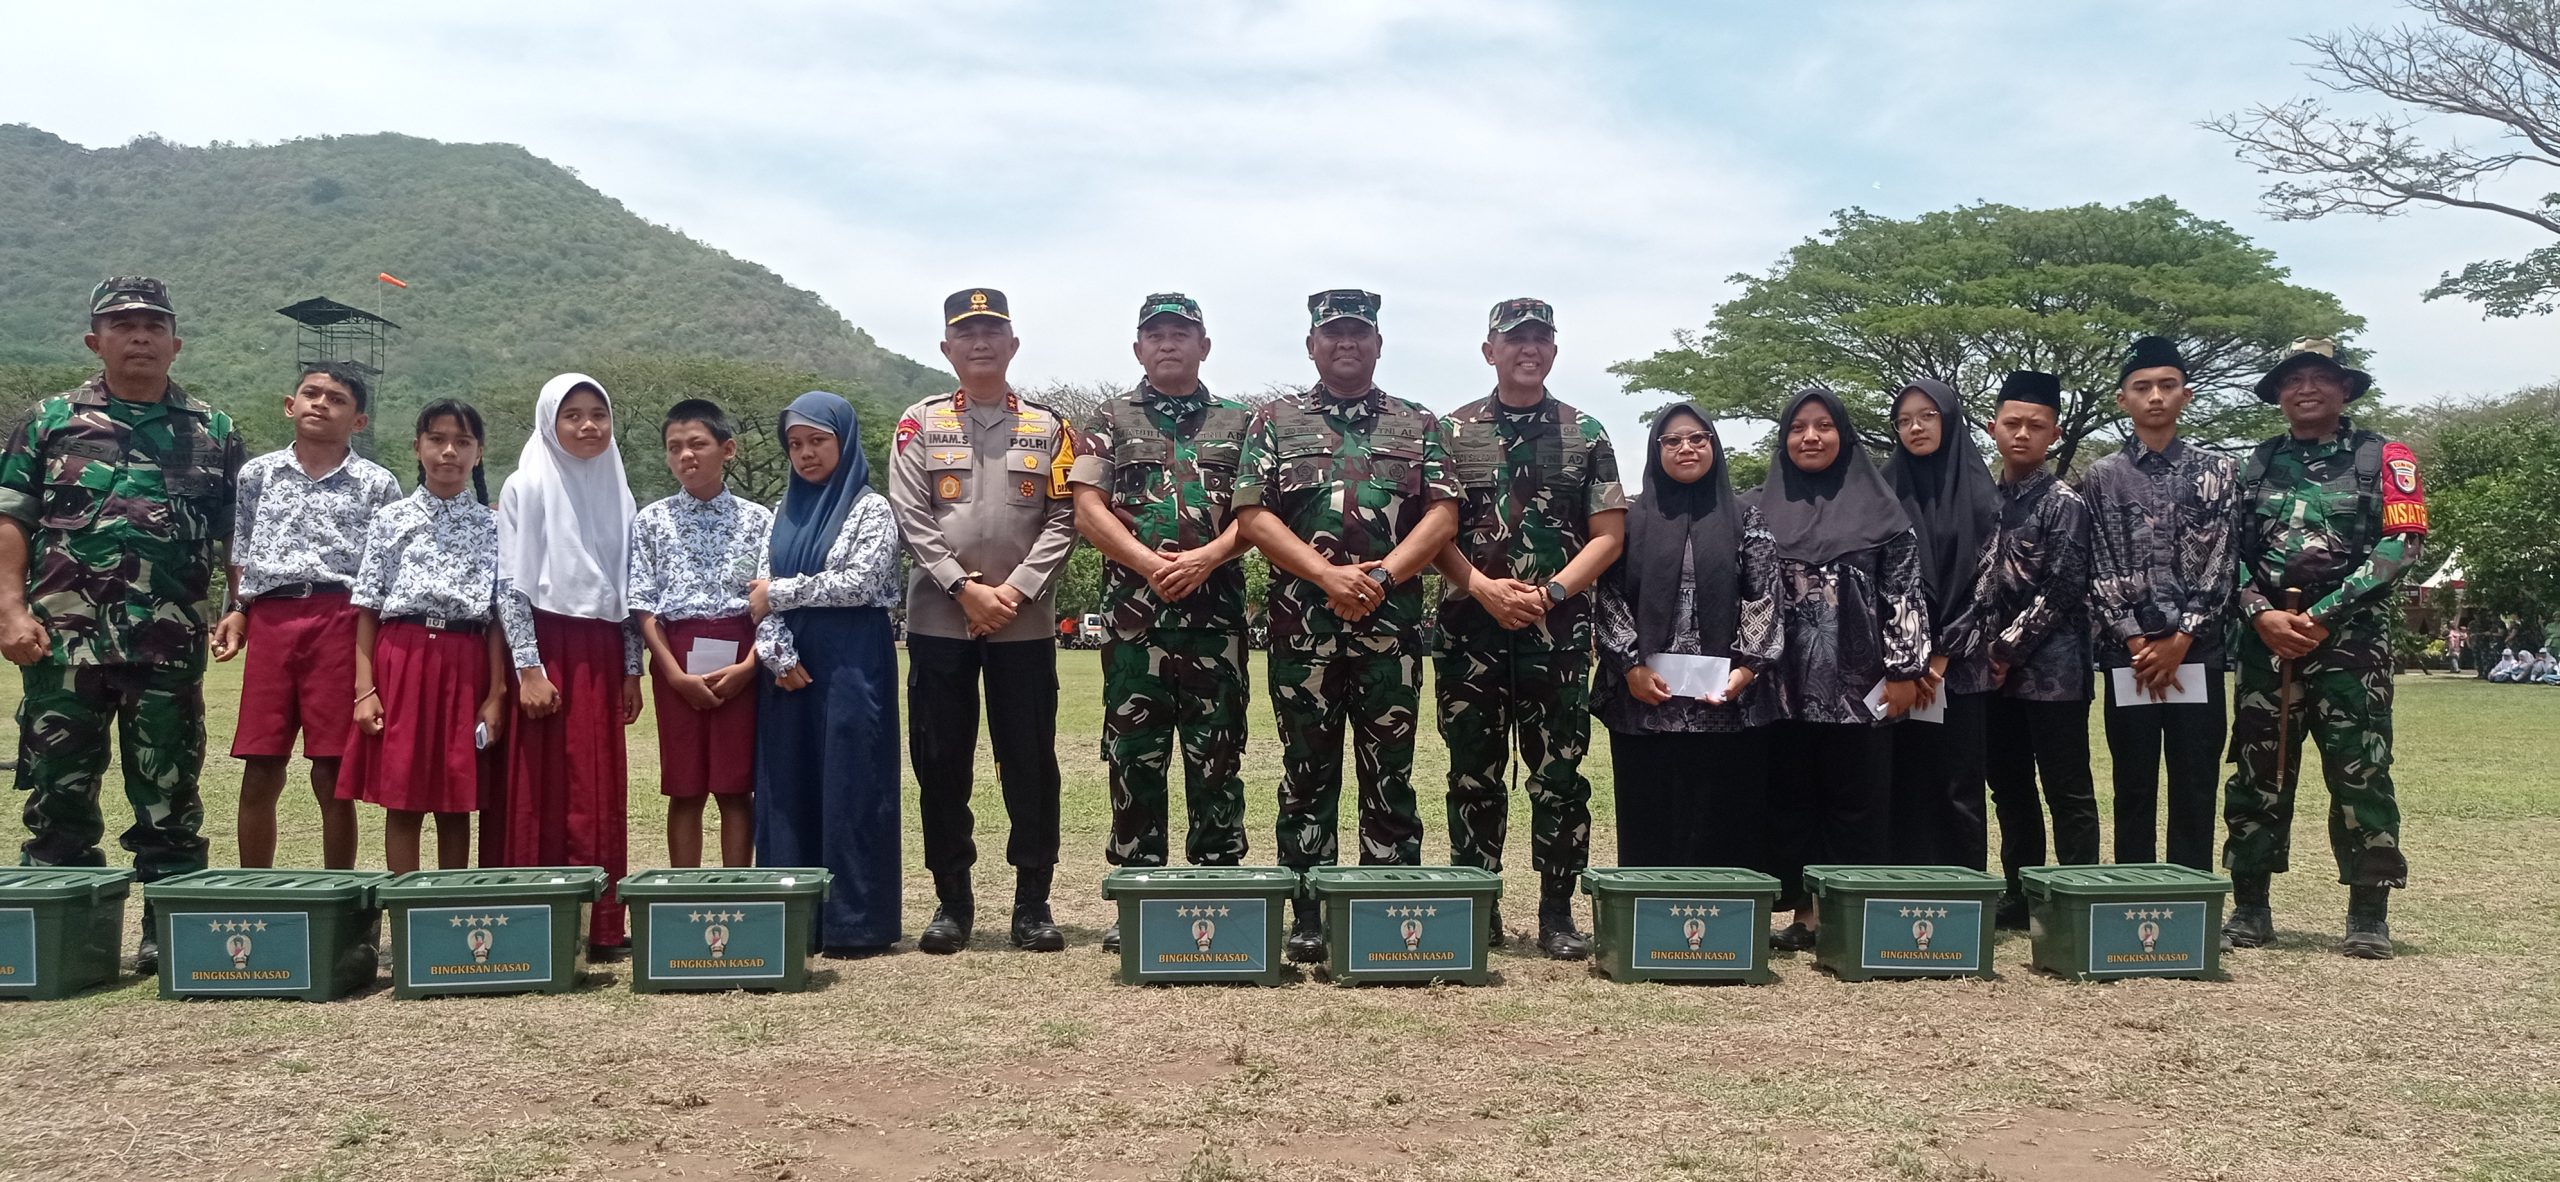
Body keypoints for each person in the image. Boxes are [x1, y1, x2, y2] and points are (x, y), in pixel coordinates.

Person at [0, 277, 246, 973]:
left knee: (170, 795)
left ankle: (168, 934)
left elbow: (237, 535)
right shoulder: (48, 423)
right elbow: (12, 518)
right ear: (94, 340)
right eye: (122, 323)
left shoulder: (213, 431)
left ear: (174, 343)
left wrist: (236, 603)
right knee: (58, 793)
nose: (138, 335)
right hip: (62, 642)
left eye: (151, 324)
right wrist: (10, 608)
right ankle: (60, 940)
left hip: (167, 644)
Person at [1233, 289, 1459, 964]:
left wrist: (1383, 576)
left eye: (1359, 332)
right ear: (1311, 345)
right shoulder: (1272, 421)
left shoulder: (1418, 423)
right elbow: (1252, 515)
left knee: (1390, 771)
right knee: (1307, 773)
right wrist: (1329, 576)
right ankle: (1306, 911)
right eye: (1333, 334)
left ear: (1379, 343)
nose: (1346, 343)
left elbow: (1442, 517)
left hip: (1390, 629)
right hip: (1304, 629)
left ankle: (1388, 906)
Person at [1431, 298, 1625, 959]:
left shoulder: (1587, 433)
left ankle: (1556, 912)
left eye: (1541, 339)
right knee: (1473, 773)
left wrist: (1551, 592)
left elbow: (1609, 535)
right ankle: (1477, 905)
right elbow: (1433, 532)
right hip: (1469, 630)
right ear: (1490, 350)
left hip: (1558, 633)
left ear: (1554, 350)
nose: (1528, 350)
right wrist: (1482, 588)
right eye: (1515, 340)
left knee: (1559, 773)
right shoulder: (1450, 433)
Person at [2222, 338, 2427, 960]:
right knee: (2259, 772)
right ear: (2279, 394)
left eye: (2319, 377)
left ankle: (2369, 914)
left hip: (2352, 644)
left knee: (2359, 770)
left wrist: (2321, 614)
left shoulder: (2386, 457)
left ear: (2345, 389)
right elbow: (2220, 551)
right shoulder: (2252, 464)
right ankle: (2250, 909)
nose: (2305, 388)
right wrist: (2260, 612)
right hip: (2265, 644)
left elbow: (2403, 545)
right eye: (2292, 380)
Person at [889, 289, 1079, 954]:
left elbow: (1065, 517)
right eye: (966, 333)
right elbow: (910, 513)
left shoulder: (1049, 428)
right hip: (940, 621)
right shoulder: (920, 422)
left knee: (1029, 760)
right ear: (946, 348)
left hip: (1023, 626)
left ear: (1013, 344)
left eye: (992, 330)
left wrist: (1016, 591)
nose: (980, 343)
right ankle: (953, 902)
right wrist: (964, 589)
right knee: (941, 761)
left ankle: (1033, 902)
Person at [1067, 294, 1253, 954]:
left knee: (1217, 758)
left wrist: (1206, 558)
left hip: (1216, 621)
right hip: (1135, 625)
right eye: (1156, 335)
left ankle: (1219, 887)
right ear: (1138, 348)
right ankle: (1138, 893)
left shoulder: (1241, 423)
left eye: (1181, 333)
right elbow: (1087, 508)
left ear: (1205, 344)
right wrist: (1150, 564)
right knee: (1133, 759)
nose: (1168, 343)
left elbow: (1257, 514)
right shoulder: (1108, 419)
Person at [1756, 387, 1929, 951]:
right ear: (1784, 441)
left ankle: (1851, 913)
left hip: (1861, 686)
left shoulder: (1886, 514)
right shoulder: (1758, 512)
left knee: (1857, 797)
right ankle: (1804, 913)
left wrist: (1905, 670)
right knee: (1790, 796)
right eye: (1799, 427)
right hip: (1781, 686)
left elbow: (1903, 593)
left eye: (1824, 426)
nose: (1811, 437)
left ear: (1844, 436)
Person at [213, 363, 401, 870]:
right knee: (261, 764)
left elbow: (385, 568)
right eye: (311, 394)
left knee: (332, 772)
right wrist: (239, 609)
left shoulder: (377, 484)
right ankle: (257, 891)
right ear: (289, 405)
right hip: (273, 619)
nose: (321, 404)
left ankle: (339, 902)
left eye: (337, 399)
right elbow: (242, 549)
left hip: (341, 620)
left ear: (358, 421)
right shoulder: (258, 474)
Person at [1590, 406, 1781, 875]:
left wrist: (1747, 668)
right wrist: (1630, 665)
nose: (1686, 448)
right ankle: (1648, 923)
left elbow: (1764, 596)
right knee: (1649, 816)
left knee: (1722, 817)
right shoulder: (1631, 521)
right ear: (1657, 451)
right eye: (1672, 441)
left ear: (1714, 446)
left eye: (1698, 438)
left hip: (1724, 702)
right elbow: (1608, 595)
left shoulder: (1746, 518)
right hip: (1645, 699)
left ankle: (1718, 928)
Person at [750, 391, 904, 955]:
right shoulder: (780, 515)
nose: (807, 454)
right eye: (795, 444)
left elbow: (861, 582)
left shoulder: (871, 508)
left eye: (818, 440)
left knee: (852, 781)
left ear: (844, 440)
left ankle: (854, 922)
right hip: (790, 665)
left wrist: (780, 595)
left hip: (853, 659)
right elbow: (755, 597)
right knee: (786, 785)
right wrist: (777, 654)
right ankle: (792, 918)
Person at [493, 373, 643, 953]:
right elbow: (511, 586)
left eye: (598, 413)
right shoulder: (525, 486)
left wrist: (632, 669)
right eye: (572, 414)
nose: (587, 426)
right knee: (539, 783)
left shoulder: (619, 492)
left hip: (602, 655)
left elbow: (629, 593)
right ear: (549, 422)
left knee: (596, 784)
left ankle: (601, 924)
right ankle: (533, 920)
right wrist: (528, 669)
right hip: (545, 649)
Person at [2080, 337, 2239, 873]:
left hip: (2198, 653)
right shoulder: (2102, 477)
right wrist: (2133, 639)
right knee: (2133, 784)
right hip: (2128, 657)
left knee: (2196, 783)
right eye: (2142, 387)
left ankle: (2191, 901)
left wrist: (2182, 639)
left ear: (2186, 395)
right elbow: (2095, 563)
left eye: (2167, 386)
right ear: (2123, 400)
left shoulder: (2218, 470)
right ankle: (2132, 897)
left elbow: (2222, 559)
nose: (2155, 397)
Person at [341, 400, 508, 873]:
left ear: (479, 452)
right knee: (404, 796)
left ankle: (447, 916)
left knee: (457, 796)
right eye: (437, 440)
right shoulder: (390, 519)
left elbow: (498, 619)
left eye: (463, 442)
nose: (449, 451)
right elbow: (368, 608)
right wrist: (364, 690)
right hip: (403, 657)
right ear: (417, 448)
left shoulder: (495, 527)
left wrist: (495, 693)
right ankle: (405, 909)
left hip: (466, 659)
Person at [627, 400, 771, 869]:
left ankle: (738, 893)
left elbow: (771, 602)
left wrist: (749, 668)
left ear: (727, 449)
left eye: (697, 444)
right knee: (684, 788)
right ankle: (683, 898)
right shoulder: (651, 521)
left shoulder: (759, 520)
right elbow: (643, 605)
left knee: (734, 787)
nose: (686, 455)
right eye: (674, 448)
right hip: (677, 653)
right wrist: (672, 674)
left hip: (741, 653)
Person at [1977, 371, 2098, 929]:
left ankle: (2076, 895)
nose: (2022, 434)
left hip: (2055, 673)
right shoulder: (1981, 500)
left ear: (2055, 433)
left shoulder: (2064, 502)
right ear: (1992, 427)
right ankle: (2020, 893)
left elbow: (2065, 586)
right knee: (2010, 789)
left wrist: (2006, 650)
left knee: (2067, 787)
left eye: (2036, 426)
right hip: (1990, 675)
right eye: (2012, 423)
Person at [1880, 378, 1997, 871]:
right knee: (1900, 779)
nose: (1915, 427)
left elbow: (1988, 583)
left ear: (1949, 420)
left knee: (1957, 784)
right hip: (1897, 670)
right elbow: (1877, 579)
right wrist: (1907, 659)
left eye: (1927, 415)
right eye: (1905, 420)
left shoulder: (1980, 495)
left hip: (1960, 670)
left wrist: (1941, 656)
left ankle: (1963, 900)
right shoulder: (1884, 490)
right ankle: (1900, 891)